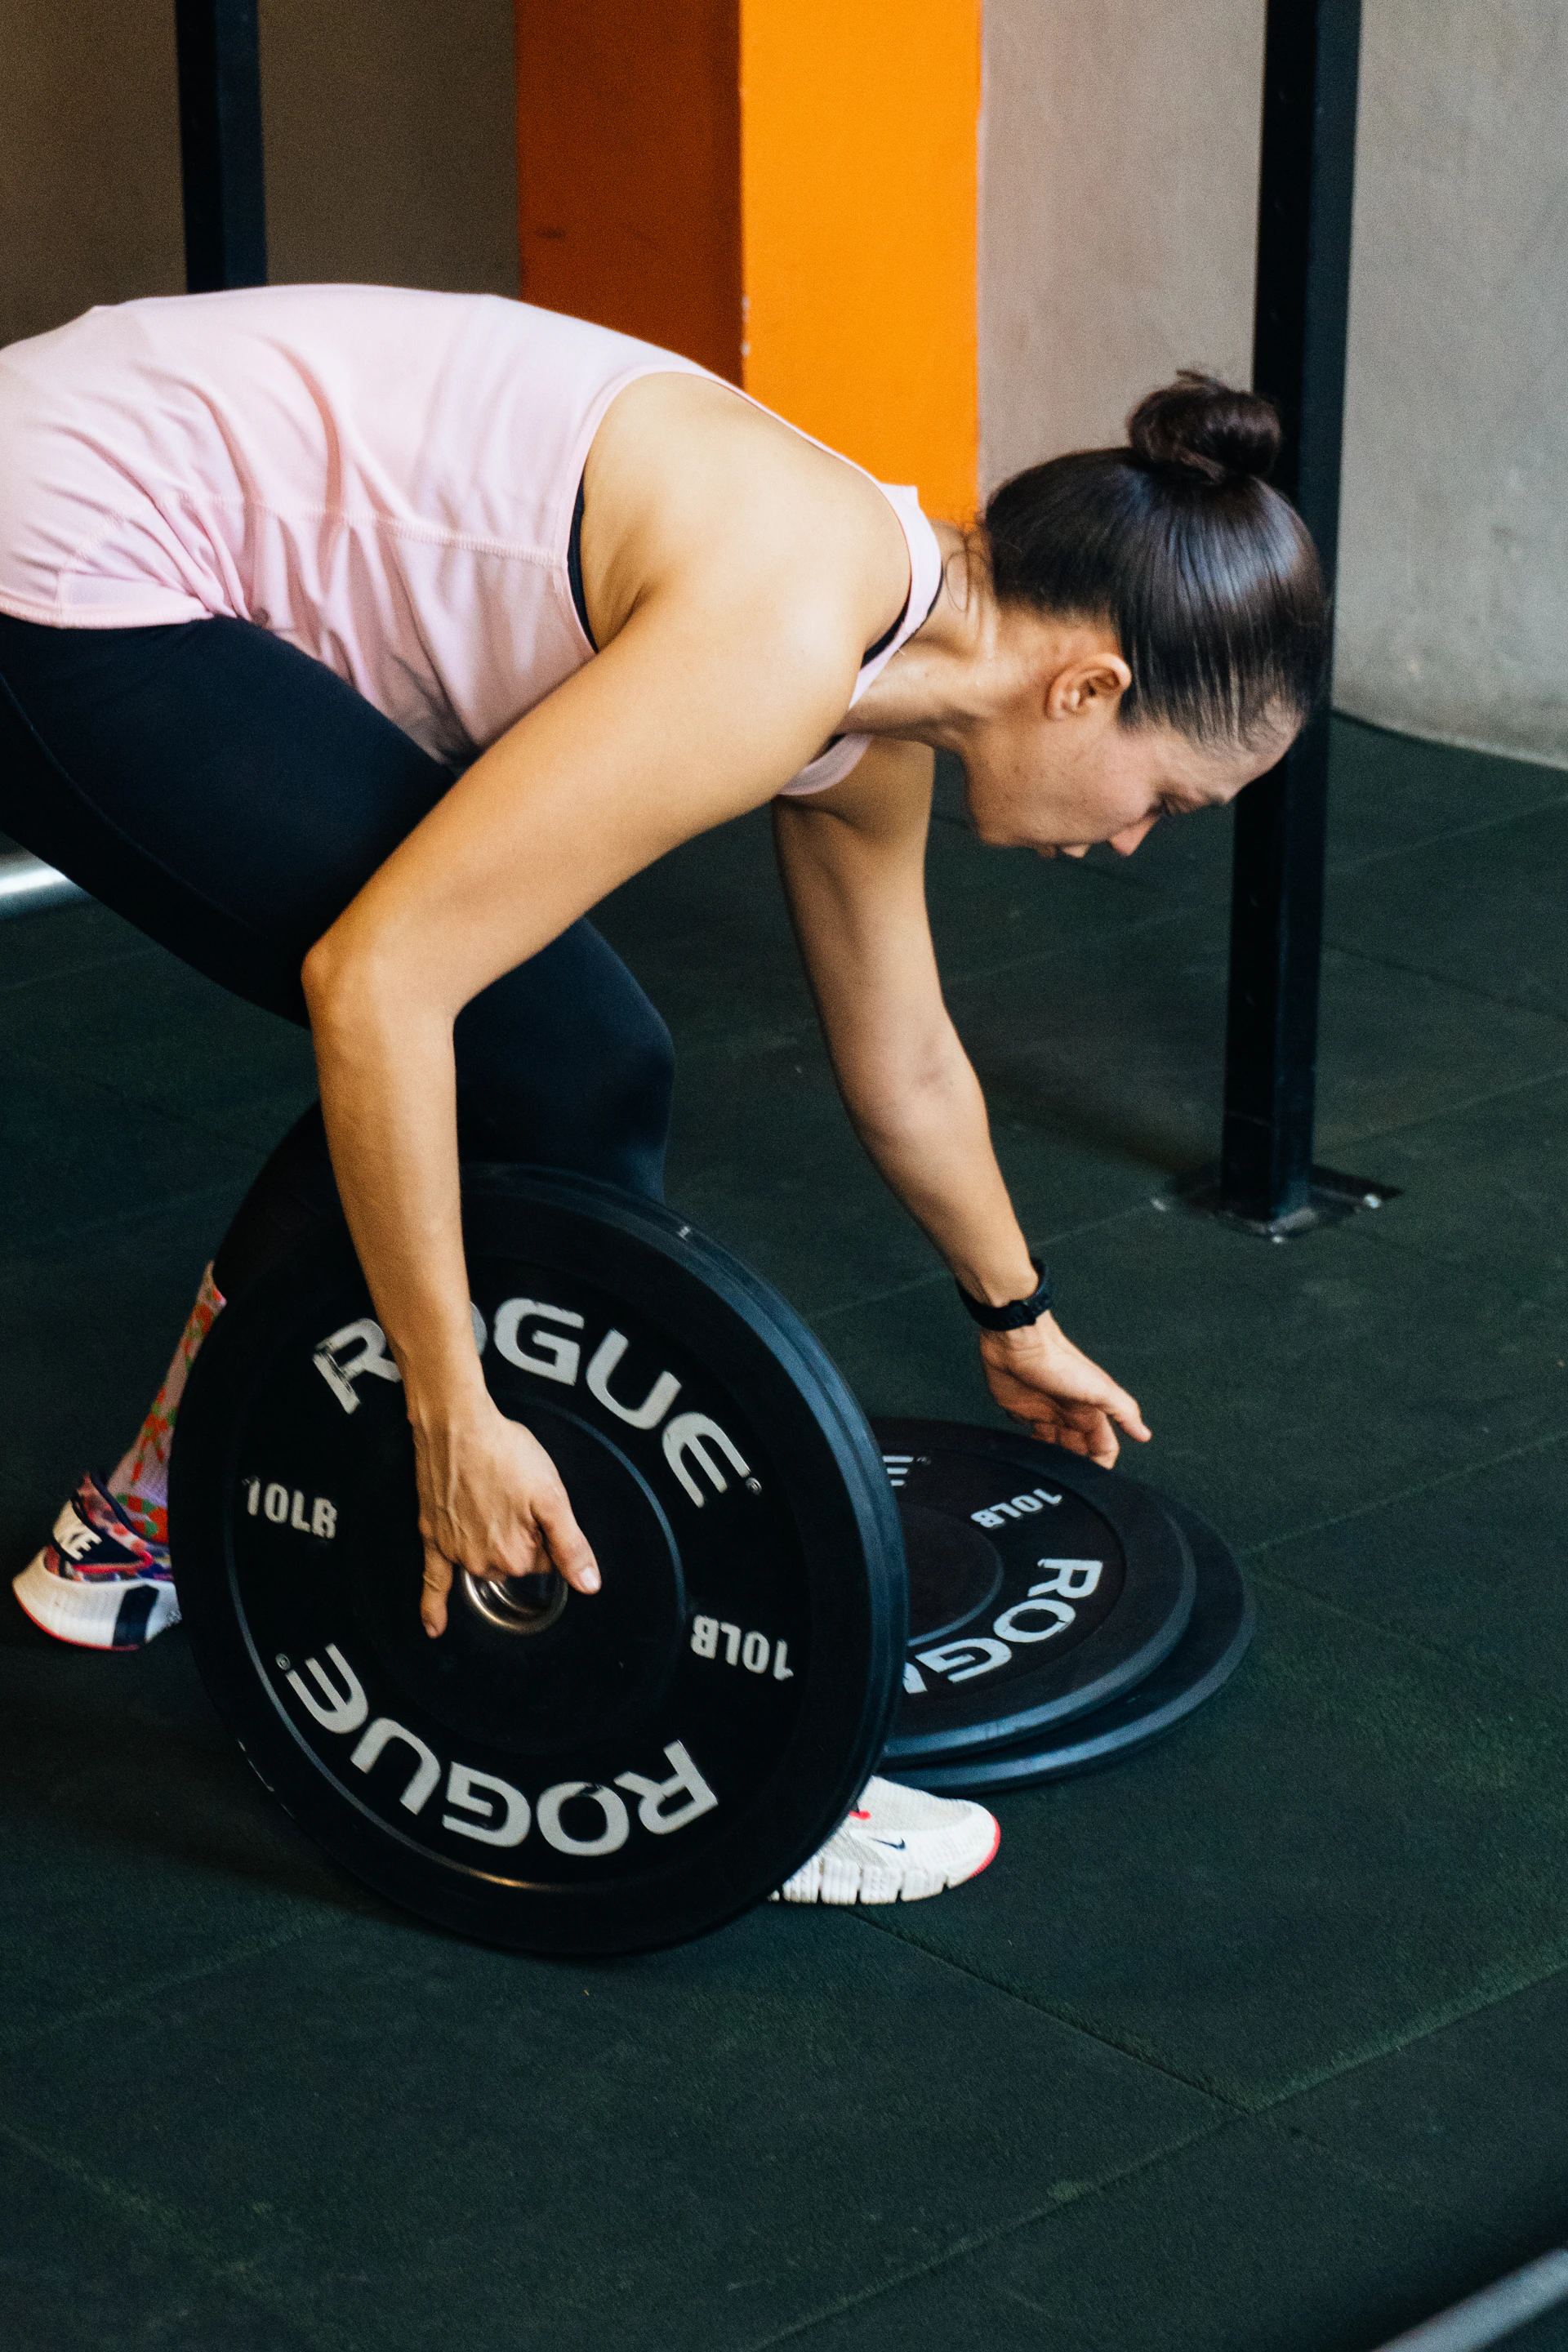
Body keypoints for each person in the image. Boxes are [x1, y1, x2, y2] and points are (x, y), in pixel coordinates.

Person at [0, 287, 1327, 1907]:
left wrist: (1014, 1311)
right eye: (1168, 801)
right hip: (63, 532)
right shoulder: (782, 632)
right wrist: (451, 1406)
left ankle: (138, 1523)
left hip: (122, 497)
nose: (1133, 843)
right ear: (1087, 688)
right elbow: (382, 987)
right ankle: (702, 1742)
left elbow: (904, 1056)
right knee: (559, 1053)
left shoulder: (872, 687)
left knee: (549, 1044)